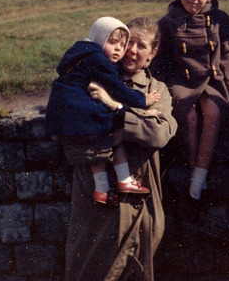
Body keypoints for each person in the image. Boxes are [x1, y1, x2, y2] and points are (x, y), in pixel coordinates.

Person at [64, 17, 177, 281]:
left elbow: (159, 133)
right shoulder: (91, 80)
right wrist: (131, 126)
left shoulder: (156, 90)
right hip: (97, 205)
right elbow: (71, 136)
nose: (133, 51)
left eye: (142, 46)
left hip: (144, 203)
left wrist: (115, 111)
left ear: (153, 53)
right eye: (129, 43)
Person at [151, 0, 229, 201]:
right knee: (190, 118)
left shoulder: (220, 20)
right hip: (181, 83)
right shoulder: (167, 23)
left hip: (213, 81)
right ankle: (195, 171)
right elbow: (160, 64)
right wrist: (157, 94)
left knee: (213, 114)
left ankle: (200, 176)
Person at [44, 16, 162, 204]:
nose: (122, 49)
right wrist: (143, 101)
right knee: (112, 129)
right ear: (100, 39)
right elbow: (119, 89)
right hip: (79, 115)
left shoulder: (81, 56)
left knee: (101, 136)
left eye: (122, 45)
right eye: (114, 42)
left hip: (62, 118)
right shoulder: (99, 61)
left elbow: (159, 133)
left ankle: (102, 189)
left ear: (152, 53)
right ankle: (123, 180)